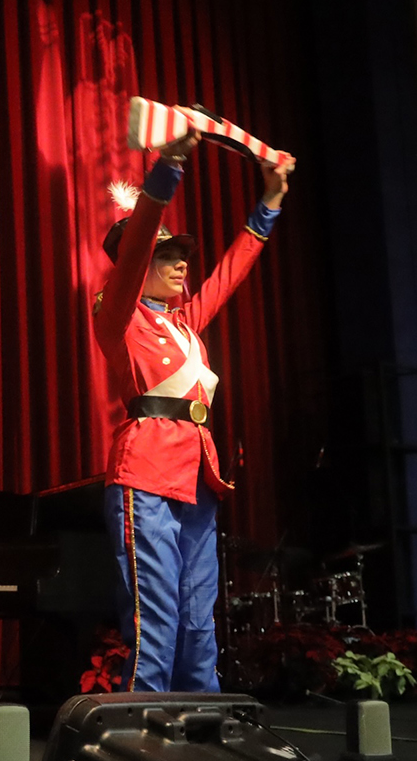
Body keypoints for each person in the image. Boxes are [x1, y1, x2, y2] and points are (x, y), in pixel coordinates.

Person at [94, 131, 293, 692]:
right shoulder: (117, 315)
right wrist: (170, 165)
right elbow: (131, 257)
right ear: (138, 264)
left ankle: (200, 721)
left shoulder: (184, 324)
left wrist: (271, 199)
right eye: (166, 255)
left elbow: (233, 269)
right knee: (153, 613)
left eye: (181, 254)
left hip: (196, 474)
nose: (181, 263)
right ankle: (144, 727)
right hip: (146, 471)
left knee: (197, 615)